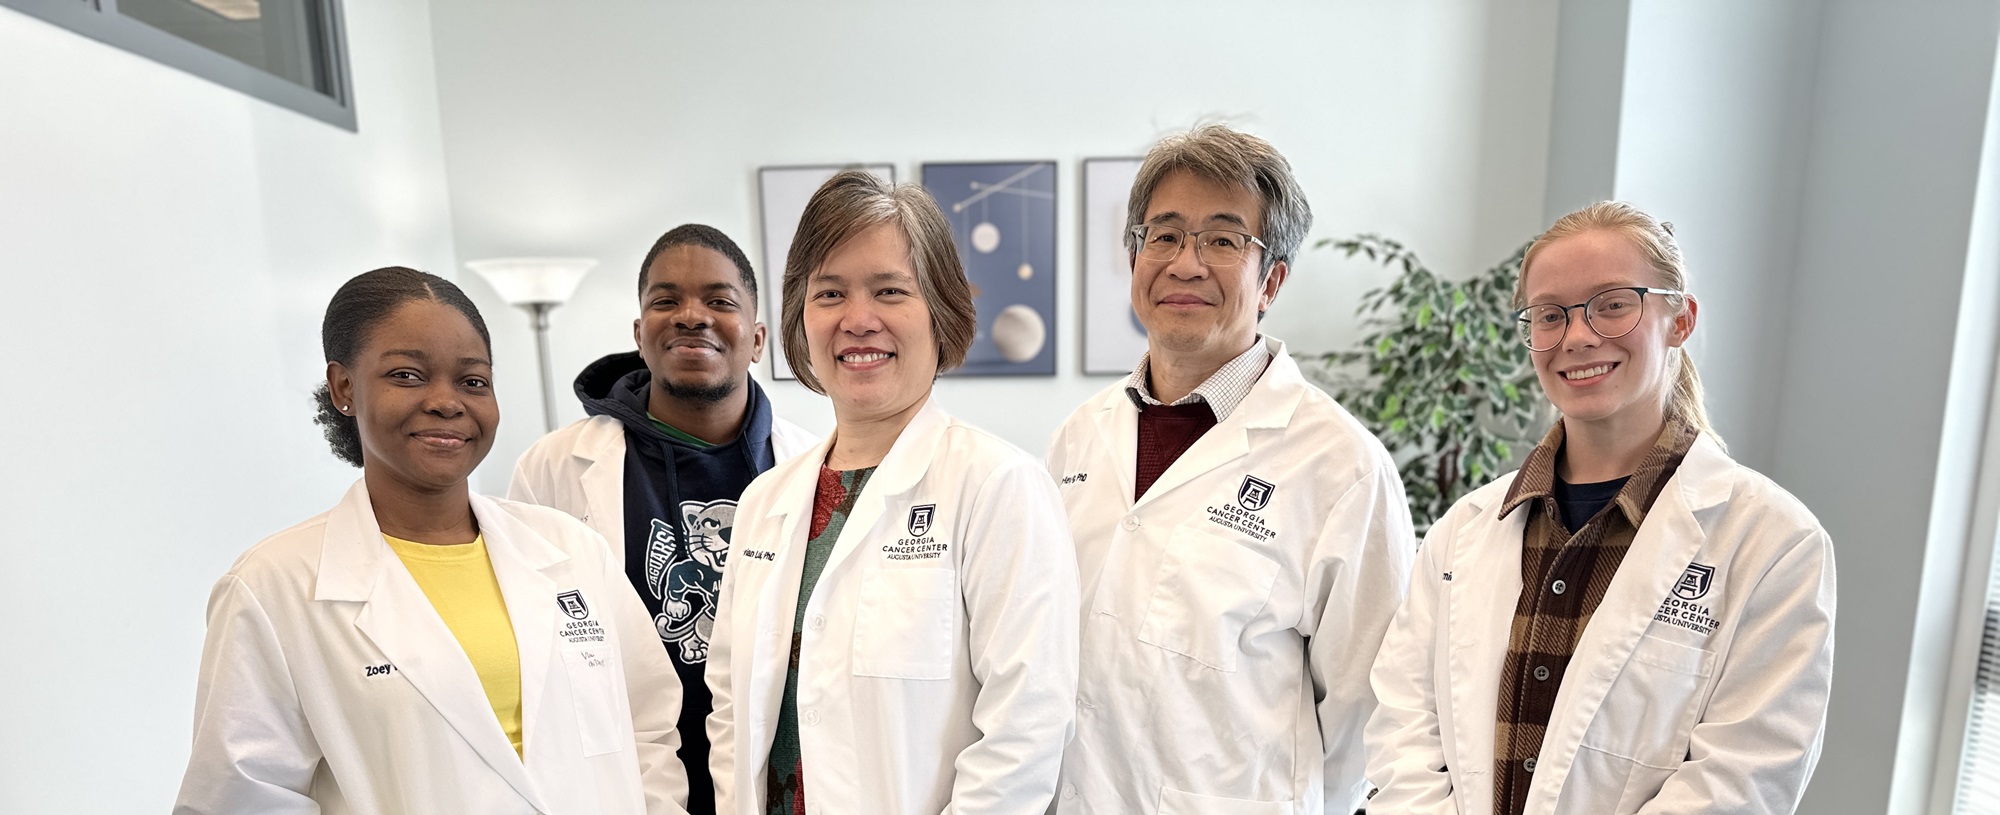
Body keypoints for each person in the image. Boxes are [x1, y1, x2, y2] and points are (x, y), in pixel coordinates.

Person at [1363, 202, 1836, 815]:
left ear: (1680, 319)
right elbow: (1403, 725)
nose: (1578, 336)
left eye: (1614, 304)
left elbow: (1743, 780)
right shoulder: (1466, 529)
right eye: (1549, 314)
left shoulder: (1773, 542)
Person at [174, 267, 687, 815]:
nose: (447, 402)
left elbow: (648, 729)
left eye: (473, 381)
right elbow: (240, 799)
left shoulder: (571, 550)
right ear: (345, 388)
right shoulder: (273, 587)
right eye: (407, 375)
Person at [1044, 124, 1414, 814]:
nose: (1185, 263)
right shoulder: (1077, 438)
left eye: (1222, 239)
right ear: (1135, 260)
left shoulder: (1341, 466)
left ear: (1271, 277)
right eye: (1164, 235)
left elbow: (1367, 712)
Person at [705, 171, 1079, 814]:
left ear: (941, 310)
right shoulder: (767, 500)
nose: (858, 319)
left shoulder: (998, 487)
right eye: (829, 292)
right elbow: (731, 703)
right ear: (800, 319)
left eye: (889, 290)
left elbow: (1026, 731)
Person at [511, 224, 817, 814]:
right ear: (639, 334)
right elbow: (535, 645)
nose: (691, 316)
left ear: (757, 339)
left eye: (720, 301)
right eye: (665, 300)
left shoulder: (810, 465)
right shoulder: (554, 468)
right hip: (622, 772)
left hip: (772, 773)